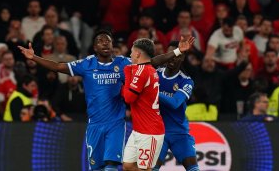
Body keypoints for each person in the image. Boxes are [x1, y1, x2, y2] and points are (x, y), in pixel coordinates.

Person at [18, 30, 193, 171]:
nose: (105, 43)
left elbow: (151, 61)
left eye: (108, 41)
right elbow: (57, 66)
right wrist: (34, 57)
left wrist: (177, 51)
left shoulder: (123, 63)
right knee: (98, 167)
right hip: (94, 124)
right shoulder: (86, 64)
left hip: (115, 123)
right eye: (101, 41)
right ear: (94, 47)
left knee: (111, 165)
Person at [153, 41, 198, 171]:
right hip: (158, 132)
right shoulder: (155, 73)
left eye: (177, 54)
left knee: (193, 168)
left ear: (182, 58)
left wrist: (153, 90)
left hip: (179, 132)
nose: (173, 57)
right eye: (170, 54)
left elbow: (175, 103)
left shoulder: (186, 81)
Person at [121, 38, 164, 171]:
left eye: (132, 52)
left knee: (144, 169)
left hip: (150, 131)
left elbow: (128, 98)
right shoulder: (150, 69)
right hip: (139, 129)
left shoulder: (141, 71)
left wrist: (128, 74)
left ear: (138, 54)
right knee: (128, 166)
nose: (130, 55)